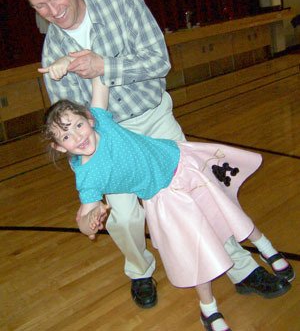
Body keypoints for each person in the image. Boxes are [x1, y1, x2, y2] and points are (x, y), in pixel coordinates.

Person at [19, 0, 293, 309]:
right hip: (108, 141)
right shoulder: (52, 52)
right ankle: (140, 269)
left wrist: (104, 65)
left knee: (197, 194)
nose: (53, 12)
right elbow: (70, 127)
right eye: (40, 6)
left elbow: (159, 61)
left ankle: (240, 269)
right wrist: (90, 197)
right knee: (124, 218)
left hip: (153, 118)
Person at [40, 58, 294, 331]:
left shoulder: (101, 121)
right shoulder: (88, 176)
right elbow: (85, 213)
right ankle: (208, 310)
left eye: (78, 125)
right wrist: (89, 221)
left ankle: (266, 248)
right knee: (196, 246)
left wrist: (75, 61)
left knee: (227, 212)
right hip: (166, 198)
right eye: (66, 137)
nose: (77, 137)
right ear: (60, 147)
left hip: (185, 164)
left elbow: (99, 77)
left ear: (88, 119)